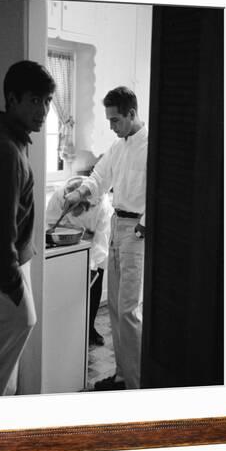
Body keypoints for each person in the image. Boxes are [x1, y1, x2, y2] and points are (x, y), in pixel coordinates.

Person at [0, 60, 56, 397]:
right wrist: (16, 290)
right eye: (34, 100)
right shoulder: (7, 152)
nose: (43, 110)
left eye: (47, 101)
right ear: (12, 99)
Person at [64, 86, 147, 390]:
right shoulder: (118, 146)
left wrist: (145, 225)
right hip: (117, 227)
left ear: (131, 114)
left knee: (129, 311)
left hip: (138, 231)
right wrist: (79, 193)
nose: (111, 126)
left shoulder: (152, 144)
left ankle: (137, 386)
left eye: (115, 120)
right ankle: (123, 376)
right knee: (114, 309)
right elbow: (99, 177)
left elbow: (162, 189)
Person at [46, 176, 114, 346]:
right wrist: (77, 232)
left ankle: (90, 328)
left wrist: (92, 267)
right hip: (68, 245)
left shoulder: (102, 206)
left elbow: (101, 240)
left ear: (86, 205)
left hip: (96, 246)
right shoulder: (59, 196)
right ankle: (68, 329)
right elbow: (51, 223)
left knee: (94, 287)